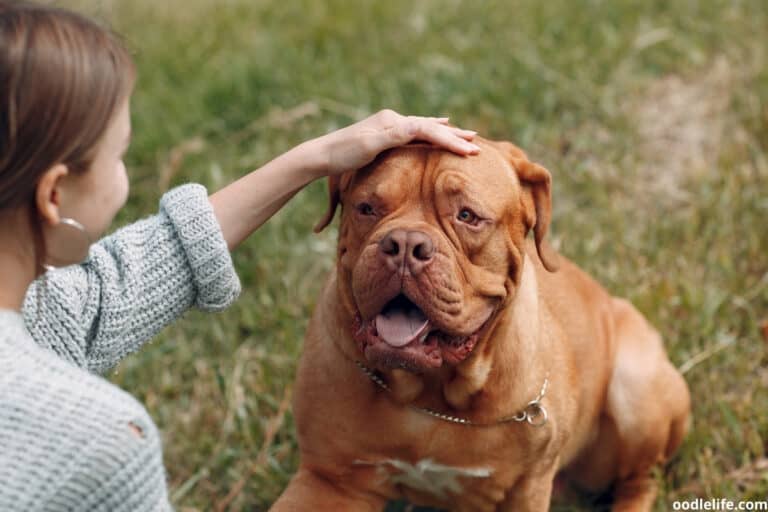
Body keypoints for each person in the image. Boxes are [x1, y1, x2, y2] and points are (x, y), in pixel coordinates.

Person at [0, 1, 480, 510]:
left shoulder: (36, 322)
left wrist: (315, 157)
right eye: (119, 156)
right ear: (54, 195)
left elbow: (110, 290)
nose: (124, 173)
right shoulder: (99, 442)